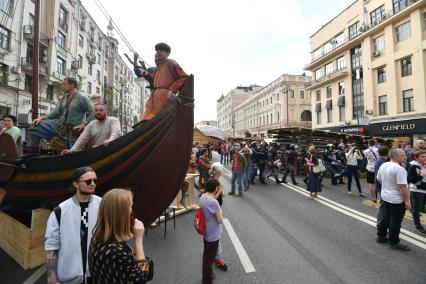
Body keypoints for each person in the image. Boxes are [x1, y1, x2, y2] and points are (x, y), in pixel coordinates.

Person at [45, 167, 101, 284]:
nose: (92, 184)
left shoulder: (103, 205)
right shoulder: (60, 211)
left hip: (97, 274)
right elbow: (51, 245)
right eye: (88, 181)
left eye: (95, 181)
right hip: (70, 278)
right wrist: (51, 275)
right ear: (76, 184)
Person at [88, 189, 152, 283]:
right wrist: (138, 240)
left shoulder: (96, 238)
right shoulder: (115, 251)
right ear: (122, 214)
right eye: (130, 206)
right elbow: (141, 278)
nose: (132, 210)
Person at [29, 77, 94, 151]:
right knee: (36, 125)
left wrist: (84, 124)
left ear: (72, 85)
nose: (63, 86)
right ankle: (33, 152)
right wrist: (41, 118)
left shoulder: (82, 98)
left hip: (73, 130)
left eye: (65, 84)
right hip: (60, 126)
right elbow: (56, 112)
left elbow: (93, 111)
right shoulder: (64, 97)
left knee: (73, 152)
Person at [135, 43, 188, 122]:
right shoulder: (156, 69)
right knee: (146, 118)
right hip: (154, 97)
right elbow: (155, 81)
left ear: (167, 53)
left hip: (164, 96)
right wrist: (147, 75)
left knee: (158, 119)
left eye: (161, 50)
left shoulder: (171, 63)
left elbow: (184, 77)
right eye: (157, 50)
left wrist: (172, 90)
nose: (158, 52)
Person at [376, 149, 411, 251]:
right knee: (395, 221)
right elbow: (402, 187)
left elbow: (379, 179)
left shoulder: (384, 165)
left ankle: (381, 236)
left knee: (385, 217)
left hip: (385, 196)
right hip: (397, 199)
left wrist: (387, 188)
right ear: (395, 156)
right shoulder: (400, 169)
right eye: (403, 155)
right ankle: (394, 242)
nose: (405, 157)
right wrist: (407, 201)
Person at [199, 179, 224, 284]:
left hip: (206, 230)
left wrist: (219, 191)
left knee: (207, 255)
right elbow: (220, 220)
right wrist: (221, 211)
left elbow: (212, 198)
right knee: (209, 259)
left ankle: (208, 274)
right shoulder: (214, 202)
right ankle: (206, 279)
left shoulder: (203, 197)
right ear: (215, 188)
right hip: (213, 233)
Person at [209, 163, 228, 271]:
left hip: (217, 208)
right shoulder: (213, 182)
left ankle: (213, 254)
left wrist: (222, 193)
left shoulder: (216, 181)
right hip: (215, 208)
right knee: (217, 234)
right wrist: (220, 190)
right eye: (221, 170)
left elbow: (217, 195)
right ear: (217, 172)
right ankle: (218, 258)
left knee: (215, 233)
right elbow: (213, 198)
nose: (222, 171)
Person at [407, 150, 426, 236]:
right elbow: (412, 180)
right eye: (422, 156)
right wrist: (422, 174)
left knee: (421, 209)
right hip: (417, 190)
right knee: (416, 209)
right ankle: (418, 226)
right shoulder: (413, 166)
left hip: (424, 189)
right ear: (416, 158)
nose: (424, 158)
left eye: (425, 156)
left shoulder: (424, 165)